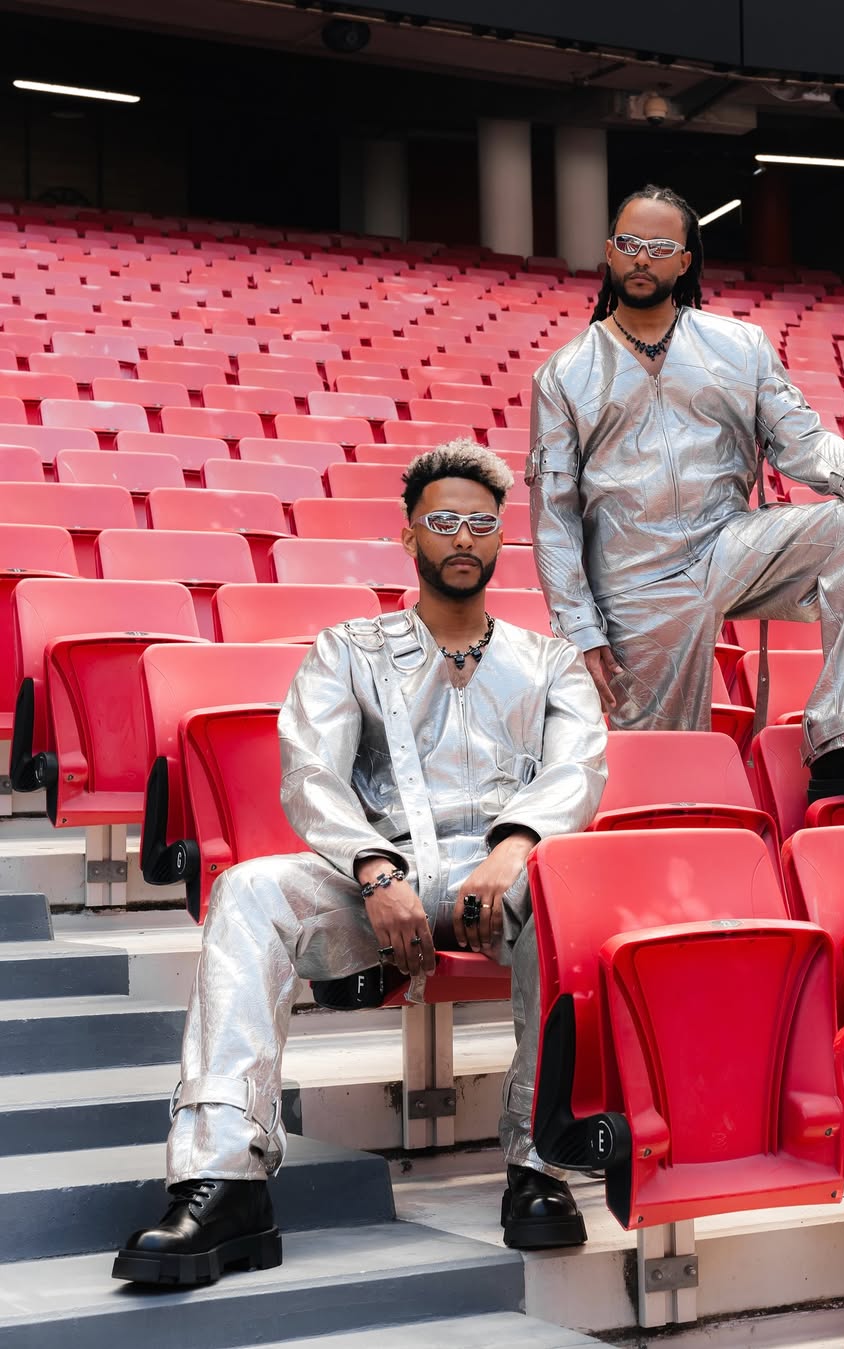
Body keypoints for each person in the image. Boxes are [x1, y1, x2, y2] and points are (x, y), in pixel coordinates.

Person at [113, 441, 607, 1287]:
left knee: (566, 900)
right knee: (248, 890)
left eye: (481, 524)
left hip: (507, 880)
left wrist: (514, 847)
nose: (463, 537)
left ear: (499, 541)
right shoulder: (349, 647)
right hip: (378, 880)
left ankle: (537, 1163)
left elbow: (578, 770)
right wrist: (376, 870)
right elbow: (311, 773)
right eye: (443, 521)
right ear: (410, 536)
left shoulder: (550, 661)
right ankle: (221, 1177)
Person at [528, 183, 844, 804]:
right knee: (661, 779)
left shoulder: (739, 346)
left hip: (729, 542)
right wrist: (580, 629)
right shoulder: (563, 374)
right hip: (633, 581)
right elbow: (554, 519)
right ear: (610, 254)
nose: (641, 258)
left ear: (684, 260)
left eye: (658, 246)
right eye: (629, 244)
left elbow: (798, 438)